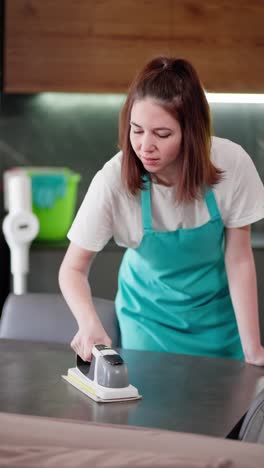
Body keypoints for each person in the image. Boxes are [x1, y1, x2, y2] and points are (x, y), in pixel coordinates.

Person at [59, 56, 264, 366]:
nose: (145, 146)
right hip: (147, 321)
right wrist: (89, 322)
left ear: (192, 132)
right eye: (137, 130)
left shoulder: (231, 164)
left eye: (162, 134)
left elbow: (238, 258)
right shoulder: (113, 180)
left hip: (217, 321)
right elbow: (72, 268)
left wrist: (254, 350)